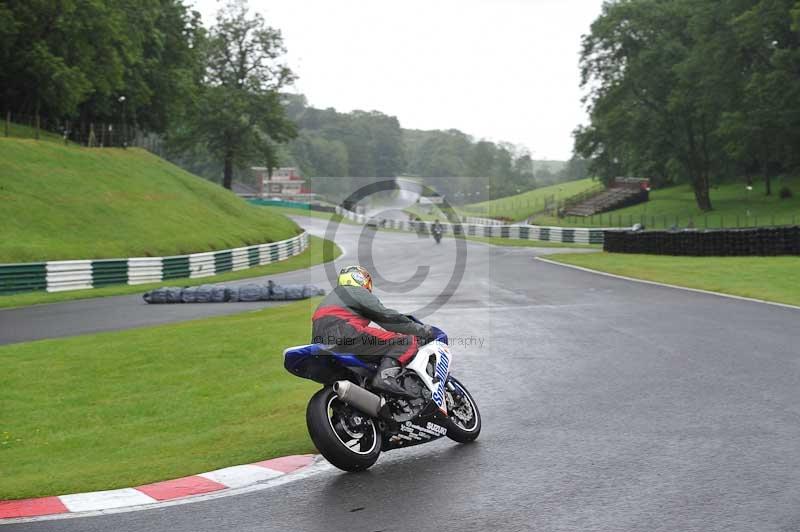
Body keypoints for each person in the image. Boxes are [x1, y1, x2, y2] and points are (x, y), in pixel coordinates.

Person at [312, 265, 432, 396]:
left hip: (320, 343)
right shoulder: (355, 291)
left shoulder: (328, 299)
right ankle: (385, 378)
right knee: (405, 342)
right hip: (346, 334)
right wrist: (421, 331)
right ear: (362, 280)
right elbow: (387, 317)